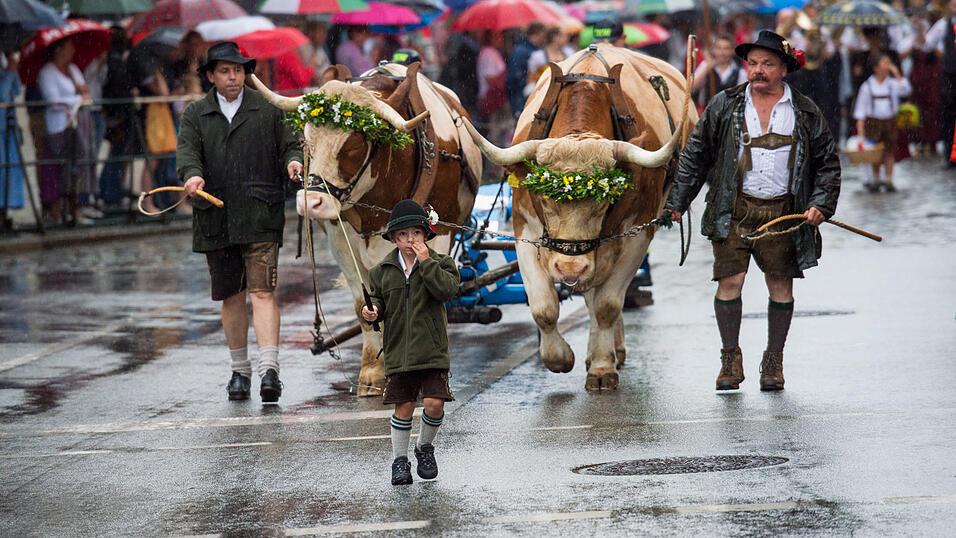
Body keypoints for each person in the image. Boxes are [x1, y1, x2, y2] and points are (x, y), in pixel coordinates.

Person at [664, 30, 841, 392]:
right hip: (733, 208)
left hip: (784, 213)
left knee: (780, 284)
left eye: (767, 64)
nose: (758, 71)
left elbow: (828, 163)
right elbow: (696, 156)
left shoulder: (805, 111)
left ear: (784, 69)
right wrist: (677, 202)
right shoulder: (724, 105)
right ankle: (730, 357)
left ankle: (773, 360)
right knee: (730, 280)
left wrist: (821, 204)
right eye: (754, 63)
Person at [176, 42, 304, 402]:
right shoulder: (196, 113)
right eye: (225, 71)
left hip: (261, 212)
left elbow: (291, 146)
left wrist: (293, 163)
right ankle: (239, 371)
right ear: (211, 76)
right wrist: (192, 175)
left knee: (263, 292)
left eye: (238, 70)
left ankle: (269, 371)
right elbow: (187, 153)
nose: (233, 77)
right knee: (231, 296)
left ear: (247, 72)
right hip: (215, 216)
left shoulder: (269, 107)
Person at [362, 200, 460, 485]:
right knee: (403, 406)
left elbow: (446, 291)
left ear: (426, 235)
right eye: (402, 235)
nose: (409, 240)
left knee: (434, 403)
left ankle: (425, 448)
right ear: (393, 239)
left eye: (416, 234)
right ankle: (400, 460)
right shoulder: (381, 271)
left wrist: (427, 262)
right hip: (398, 350)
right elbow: (377, 302)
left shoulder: (442, 263)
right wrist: (371, 311)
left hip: (432, 349)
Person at [37, 37, 95, 226]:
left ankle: (74, 208)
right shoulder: (47, 72)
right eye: (69, 47)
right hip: (58, 126)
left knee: (76, 168)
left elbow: (86, 91)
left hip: (75, 125)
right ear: (59, 49)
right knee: (56, 168)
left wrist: (77, 96)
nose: (72, 51)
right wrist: (77, 99)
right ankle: (56, 211)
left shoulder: (73, 69)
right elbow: (54, 100)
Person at [853, 53, 911, 192]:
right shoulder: (867, 86)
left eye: (888, 63)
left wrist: (897, 74)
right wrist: (861, 135)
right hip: (873, 123)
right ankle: (876, 179)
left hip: (890, 122)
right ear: (876, 68)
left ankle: (889, 180)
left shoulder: (892, 84)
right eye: (884, 63)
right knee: (876, 152)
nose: (888, 66)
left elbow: (906, 90)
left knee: (890, 151)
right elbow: (860, 112)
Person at [923, 0, 956, 165]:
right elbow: (927, 44)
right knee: (948, 116)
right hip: (950, 76)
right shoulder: (944, 24)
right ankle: (949, 154)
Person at [693, 34, 748, 109]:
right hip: (709, 115)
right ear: (714, 50)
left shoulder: (740, 73)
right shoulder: (706, 66)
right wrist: (706, 70)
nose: (722, 53)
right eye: (719, 48)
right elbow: (690, 88)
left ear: (732, 51)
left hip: (730, 116)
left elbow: (744, 98)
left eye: (726, 49)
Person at [506, 22, 546, 120]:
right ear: (539, 33)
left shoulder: (536, 49)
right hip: (521, 96)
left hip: (530, 94)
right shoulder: (521, 51)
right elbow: (514, 77)